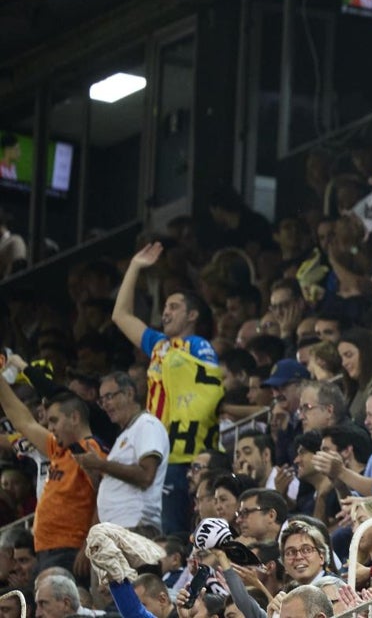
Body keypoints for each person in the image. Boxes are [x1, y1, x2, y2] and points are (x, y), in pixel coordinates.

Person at [113, 243, 223, 534]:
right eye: (164, 307)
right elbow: (121, 316)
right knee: (165, 529)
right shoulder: (160, 345)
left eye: (174, 306)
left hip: (186, 450)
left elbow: (209, 391)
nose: (165, 312)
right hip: (160, 446)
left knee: (179, 529)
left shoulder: (198, 346)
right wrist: (135, 267)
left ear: (192, 315)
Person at [0, 381, 104, 571]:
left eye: (54, 421)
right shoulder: (59, 449)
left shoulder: (92, 451)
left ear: (74, 418)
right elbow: (24, 422)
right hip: (46, 549)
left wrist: (89, 544)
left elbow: (104, 499)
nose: (51, 428)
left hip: (69, 549)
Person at [93, 372, 169, 531]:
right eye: (102, 400)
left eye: (109, 396)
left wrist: (101, 465)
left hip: (137, 527)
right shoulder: (125, 435)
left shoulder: (147, 424)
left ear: (129, 393)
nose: (105, 404)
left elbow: (146, 476)